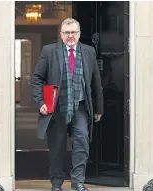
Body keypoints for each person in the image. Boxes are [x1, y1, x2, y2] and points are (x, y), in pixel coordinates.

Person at [31, 18, 104, 191]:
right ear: (61, 34)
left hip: (80, 108)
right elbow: (37, 78)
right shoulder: (49, 51)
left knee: (82, 142)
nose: (70, 36)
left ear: (79, 34)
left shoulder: (89, 52)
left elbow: (96, 82)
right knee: (57, 148)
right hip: (57, 108)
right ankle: (56, 184)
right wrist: (40, 102)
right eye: (67, 32)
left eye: (73, 32)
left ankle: (77, 182)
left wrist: (99, 108)